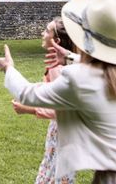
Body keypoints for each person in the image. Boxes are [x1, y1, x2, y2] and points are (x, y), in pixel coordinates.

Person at [0, 0, 116, 181]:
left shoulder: (79, 79)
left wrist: (9, 68)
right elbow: (105, 70)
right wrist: (69, 57)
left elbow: (28, 94)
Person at [11, 18, 75, 184]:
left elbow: (60, 108)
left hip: (63, 130)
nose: (42, 33)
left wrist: (28, 109)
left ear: (57, 41)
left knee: (57, 176)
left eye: (47, 31)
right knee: (52, 173)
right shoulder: (62, 66)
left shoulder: (58, 69)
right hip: (62, 129)